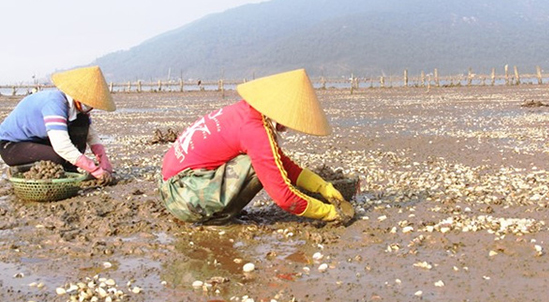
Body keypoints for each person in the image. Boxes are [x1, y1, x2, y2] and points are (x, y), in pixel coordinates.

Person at [159, 68, 355, 225]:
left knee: (263, 162)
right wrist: (329, 213)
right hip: (183, 197)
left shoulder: (244, 111)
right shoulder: (255, 130)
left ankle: (213, 210)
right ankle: (217, 217)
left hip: (172, 185)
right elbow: (285, 198)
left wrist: (323, 187)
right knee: (255, 165)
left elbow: (282, 163)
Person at [0, 65, 115, 183]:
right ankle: (26, 169)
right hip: (11, 146)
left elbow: (91, 135)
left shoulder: (78, 108)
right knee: (58, 157)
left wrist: (103, 159)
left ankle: (70, 168)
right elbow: (62, 146)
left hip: (38, 140)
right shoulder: (55, 103)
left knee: (82, 122)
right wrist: (93, 169)